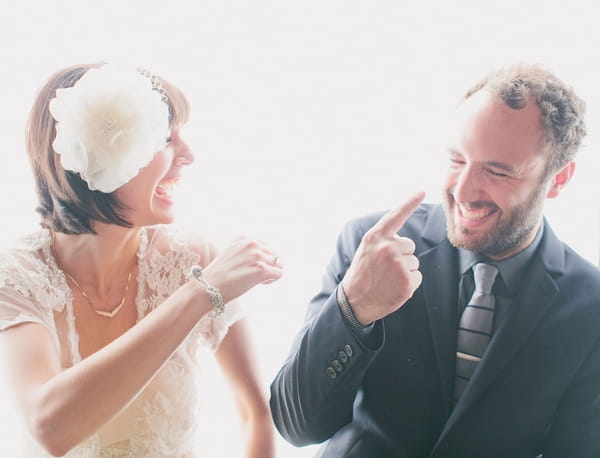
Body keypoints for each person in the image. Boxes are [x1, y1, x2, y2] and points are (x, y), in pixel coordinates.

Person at [270, 62, 600, 457]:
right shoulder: (371, 244)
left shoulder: (590, 305)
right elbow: (297, 426)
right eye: (456, 160)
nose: (463, 190)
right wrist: (352, 309)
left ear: (558, 179)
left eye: (496, 172)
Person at [0, 63, 283, 457]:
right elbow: (50, 429)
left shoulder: (192, 258)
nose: (188, 156)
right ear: (98, 152)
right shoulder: (17, 275)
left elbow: (255, 413)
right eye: (165, 138)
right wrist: (200, 294)